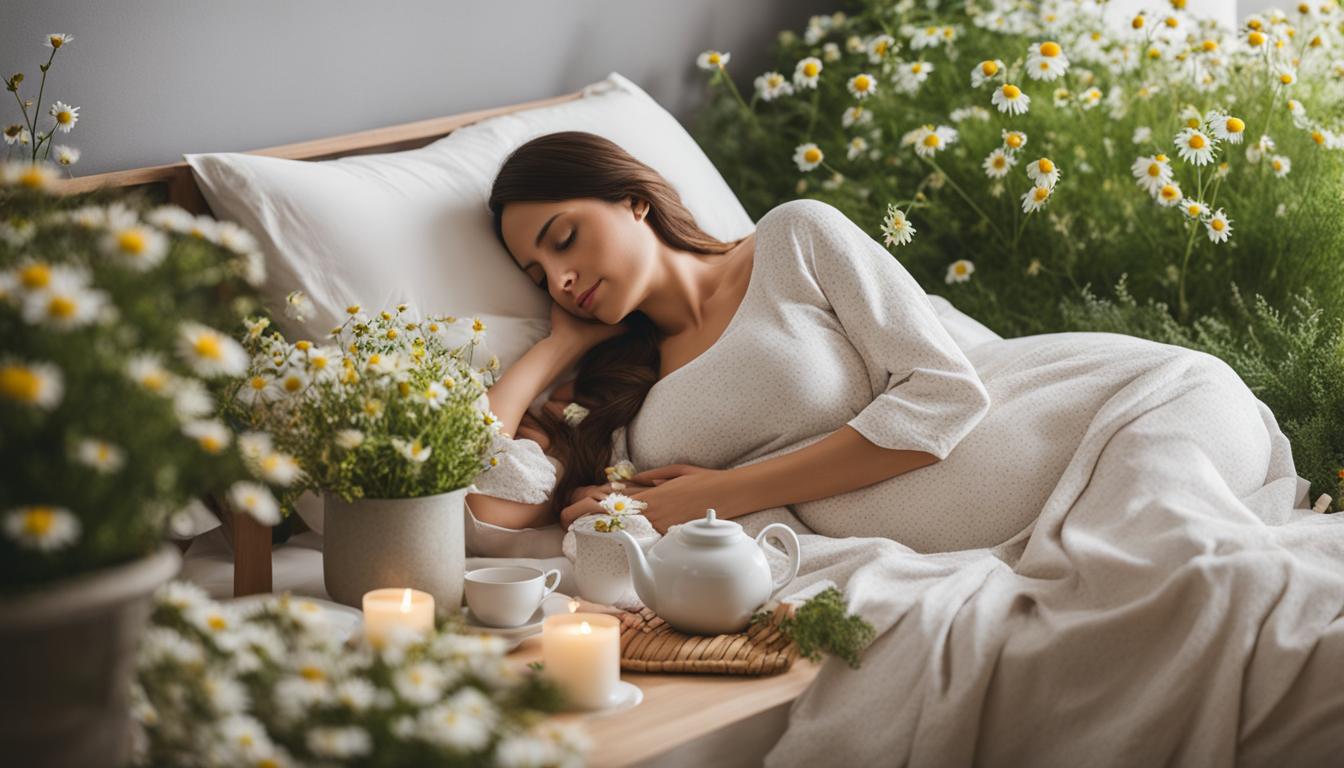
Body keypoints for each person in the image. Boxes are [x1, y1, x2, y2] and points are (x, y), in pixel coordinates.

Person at [473, 131, 1215, 552]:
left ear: (633, 199)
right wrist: (553, 350)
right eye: (540, 276)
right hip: (936, 551)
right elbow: (485, 515)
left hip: (1067, 432)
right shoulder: (608, 391)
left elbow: (944, 395)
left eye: (565, 240)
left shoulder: (793, 237)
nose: (562, 280)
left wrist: (719, 496)